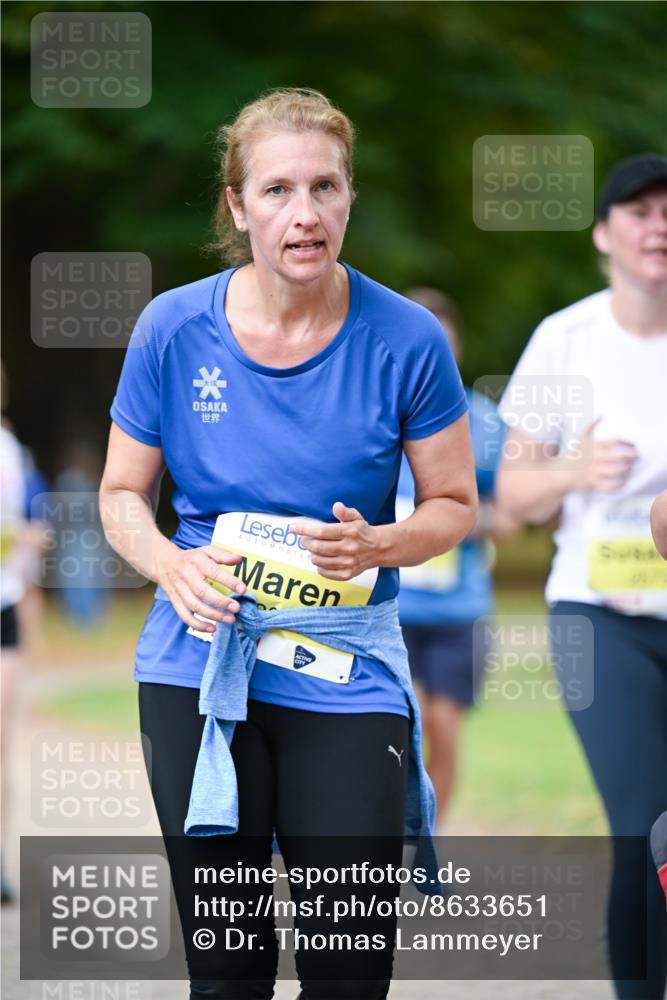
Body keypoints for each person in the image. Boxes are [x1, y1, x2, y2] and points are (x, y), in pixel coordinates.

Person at [100, 88, 477, 1000]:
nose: (303, 214)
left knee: (349, 967)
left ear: (349, 197)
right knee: (226, 969)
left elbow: (454, 504)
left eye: (324, 188)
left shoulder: (407, 340)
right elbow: (119, 495)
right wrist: (169, 563)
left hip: (343, 671)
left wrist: (379, 546)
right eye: (276, 190)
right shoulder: (172, 330)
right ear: (237, 206)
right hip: (199, 662)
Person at [496, 153, 667, 1000]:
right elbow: (510, 498)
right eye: (637, 210)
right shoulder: (565, 339)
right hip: (595, 615)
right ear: (603, 233)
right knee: (643, 825)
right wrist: (573, 470)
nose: (658, 224)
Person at [396, 288, 516, 828]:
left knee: (443, 728)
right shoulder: (368, 410)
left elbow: (510, 515)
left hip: (459, 610)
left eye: (440, 348)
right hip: (387, 608)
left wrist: (450, 520)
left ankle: (426, 838)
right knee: (407, 724)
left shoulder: (484, 422)